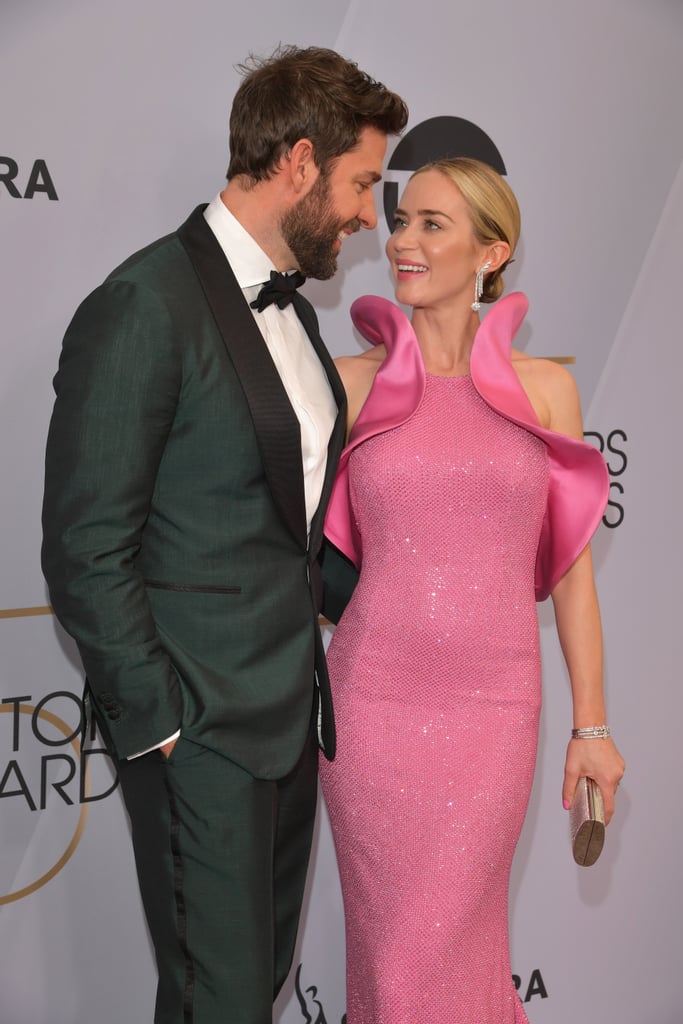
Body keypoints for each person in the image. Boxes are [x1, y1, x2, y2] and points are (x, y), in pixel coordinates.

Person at [41, 45, 407, 1024]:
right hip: (195, 729)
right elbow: (84, 545)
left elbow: (279, 528)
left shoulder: (295, 316)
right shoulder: (142, 305)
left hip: (289, 724)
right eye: (361, 183)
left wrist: (410, 592)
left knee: (237, 998)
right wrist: (160, 723)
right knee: (224, 1001)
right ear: (297, 162)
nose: (369, 215)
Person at [319, 157, 625, 1023]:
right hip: (369, 713)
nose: (401, 241)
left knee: (447, 961)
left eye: (431, 225)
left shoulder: (547, 391)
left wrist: (591, 727)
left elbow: (569, 579)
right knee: (396, 972)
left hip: (492, 718)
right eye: (400, 219)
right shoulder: (349, 384)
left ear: (492, 254)